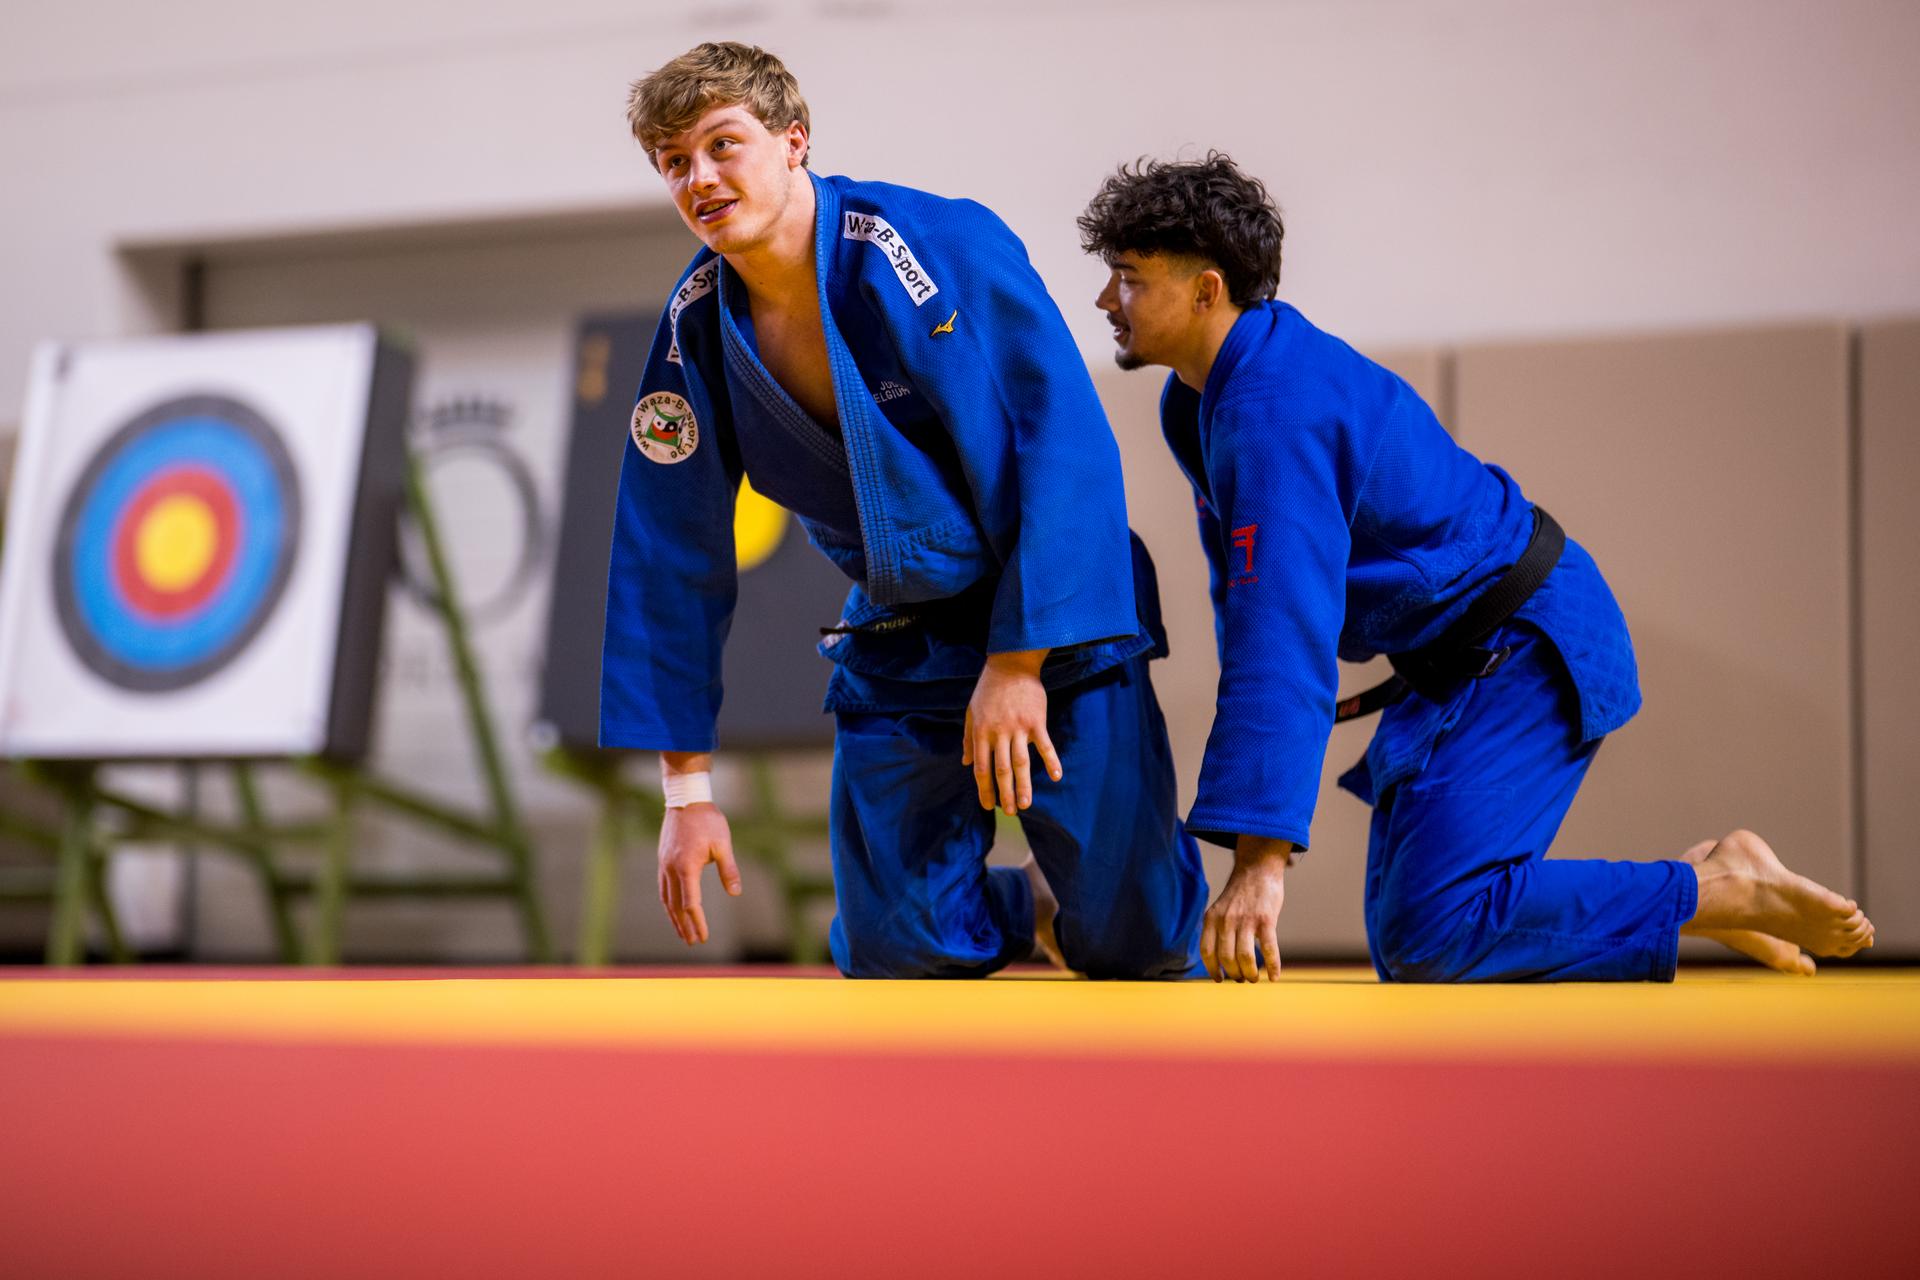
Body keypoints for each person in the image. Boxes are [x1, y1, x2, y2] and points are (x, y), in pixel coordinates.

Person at [1077, 152, 1875, 983]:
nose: (1107, 300)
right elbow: (1254, 601)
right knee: (1416, 941)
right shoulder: (1196, 403)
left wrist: (1259, 861)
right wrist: (1311, 700)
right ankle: (1705, 890)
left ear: (1208, 290)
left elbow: (1279, 628)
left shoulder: (1276, 405)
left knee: (1438, 931)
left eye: (1129, 279)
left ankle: (1714, 891)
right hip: (1450, 658)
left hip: (1526, 639)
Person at [600, 43, 1206, 978]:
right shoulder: (694, 329)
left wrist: (1017, 661)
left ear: (794, 141)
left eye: (724, 145)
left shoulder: (936, 245)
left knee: (1137, 941)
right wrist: (686, 795)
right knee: (893, 949)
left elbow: (1064, 446)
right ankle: (1021, 903)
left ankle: (1102, 903)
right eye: (674, 163)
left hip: (1048, 610)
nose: (700, 178)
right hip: (901, 631)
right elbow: (663, 556)